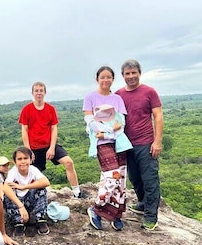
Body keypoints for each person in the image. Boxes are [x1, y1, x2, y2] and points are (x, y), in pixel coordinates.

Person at [115, 59, 164, 231]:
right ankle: (143, 203)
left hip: (146, 142)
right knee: (134, 177)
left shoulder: (149, 92)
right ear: (123, 76)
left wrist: (157, 141)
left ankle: (151, 217)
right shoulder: (119, 94)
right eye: (127, 73)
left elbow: (158, 116)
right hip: (126, 144)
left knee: (150, 180)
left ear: (139, 73)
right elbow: (113, 118)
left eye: (134, 72)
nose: (131, 76)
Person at [83, 66, 130, 231]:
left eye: (109, 77)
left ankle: (115, 214)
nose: (105, 80)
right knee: (112, 176)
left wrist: (106, 132)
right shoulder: (90, 98)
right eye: (102, 77)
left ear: (112, 79)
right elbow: (90, 122)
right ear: (97, 79)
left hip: (119, 142)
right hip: (102, 143)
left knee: (121, 179)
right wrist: (108, 131)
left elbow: (121, 123)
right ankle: (96, 209)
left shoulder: (117, 99)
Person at [18, 81, 85, 198]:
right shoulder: (27, 109)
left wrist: (52, 148)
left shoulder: (50, 109)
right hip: (33, 147)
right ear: (32, 93)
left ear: (45, 92)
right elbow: (24, 131)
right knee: (31, 174)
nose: (39, 93)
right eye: (36, 91)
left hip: (49, 145)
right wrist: (28, 151)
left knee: (68, 162)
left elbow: (54, 129)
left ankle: (76, 191)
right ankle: (28, 196)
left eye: (41, 91)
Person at [3, 146, 51, 237]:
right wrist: (21, 206)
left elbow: (46, 182)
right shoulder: (13, 172)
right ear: (15, 161)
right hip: (17, 205)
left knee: (41, 188)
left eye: (25, 158)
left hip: (29, 201)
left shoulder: (33, 170)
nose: (23, 161)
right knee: (9, 192)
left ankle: (40, 218)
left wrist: (24, 186)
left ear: (30, 160)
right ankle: (18, 222)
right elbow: (5, 188)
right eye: (19, 159)